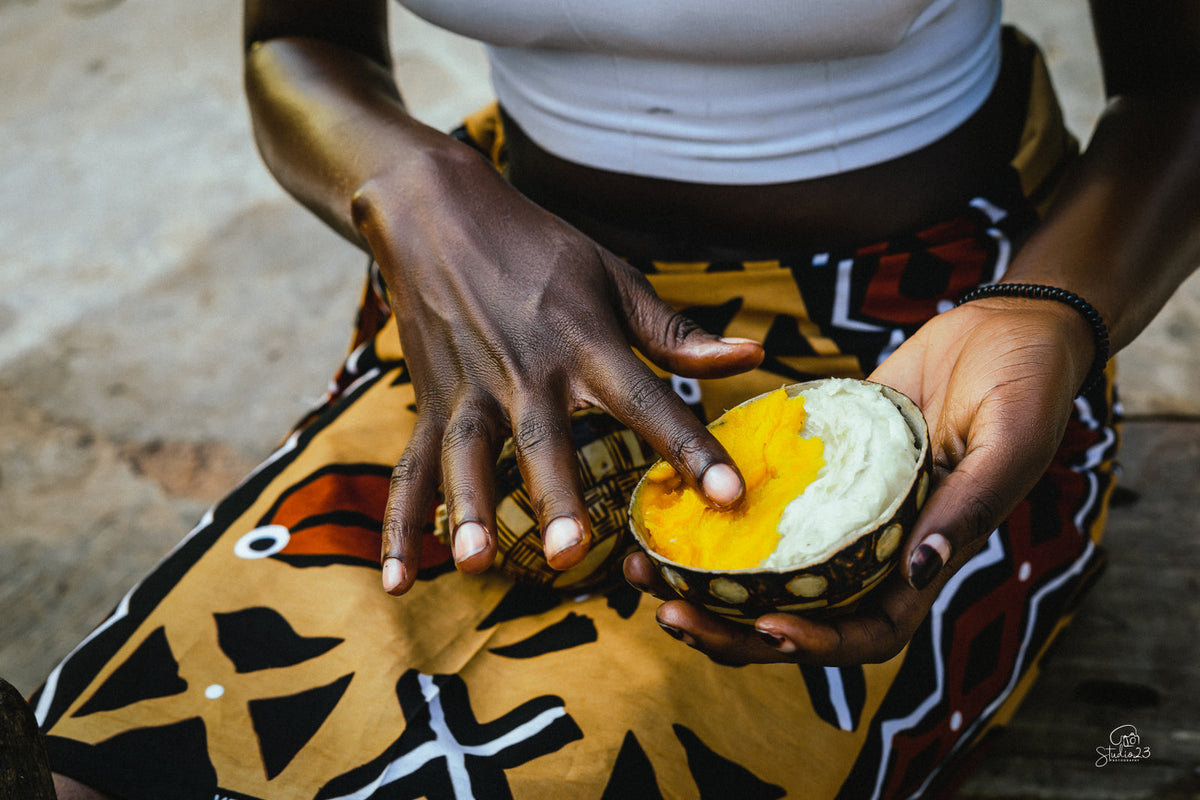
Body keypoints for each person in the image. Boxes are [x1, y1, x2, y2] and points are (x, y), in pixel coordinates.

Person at [40, 1, 1199, 798]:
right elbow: (297, 39)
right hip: (500, 313)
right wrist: (410, 185)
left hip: (930, 334)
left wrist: (1045, 311)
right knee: (125, 744)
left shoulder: (962, 345)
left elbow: (1177, 89)